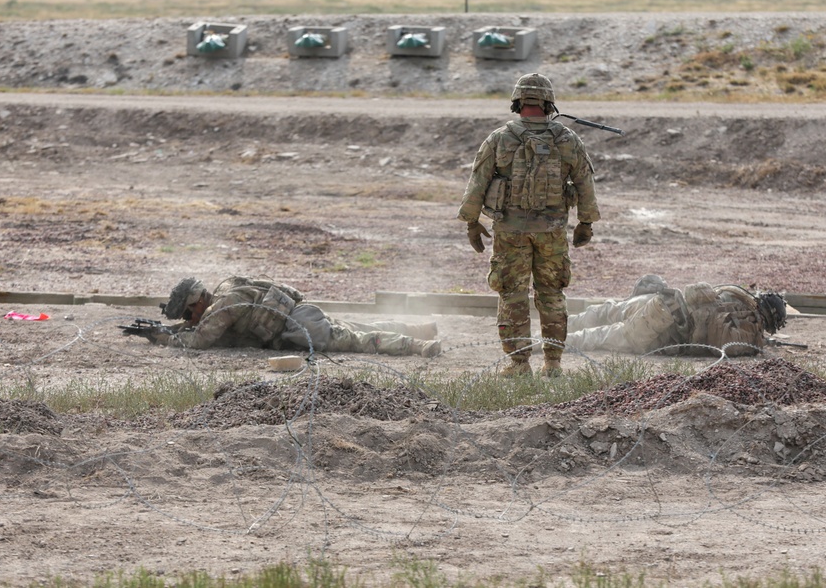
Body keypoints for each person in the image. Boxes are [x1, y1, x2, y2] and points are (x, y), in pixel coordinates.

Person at [457, 73, 600, 378]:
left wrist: (472, 222)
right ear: (549, 102)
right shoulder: (567, 139)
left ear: (517, 101)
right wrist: (585, 222)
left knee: (512, 294)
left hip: (511, 232)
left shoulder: (499, 138)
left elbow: (478, 182)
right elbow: (585, 183)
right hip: (552, 231)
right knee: (551, 294)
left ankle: (519, 364)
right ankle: (553, 363)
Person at [126, 276, 442, 357]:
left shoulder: (220, 309)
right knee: (359, 327)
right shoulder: (229, 287)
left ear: (197, 303)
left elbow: (199, 340)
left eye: (188, 314)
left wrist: (164, 337)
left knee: (361, 340)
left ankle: (417, 345)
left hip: (300, 329)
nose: (191, 319)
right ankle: (421, 328)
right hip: (301, 314)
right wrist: (172, 327)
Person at [567, 274, 788, 356]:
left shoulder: (733, 299)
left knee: (605, 312)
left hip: (663, 305)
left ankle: (555, 326)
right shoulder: (749, 335)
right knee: (598, 336)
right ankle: (548, 342)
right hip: (665, 334)